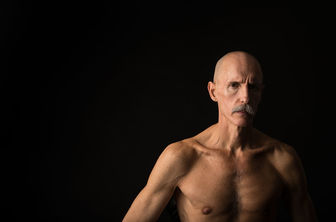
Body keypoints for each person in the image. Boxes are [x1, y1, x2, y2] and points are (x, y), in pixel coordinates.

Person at [122, 51, 317, 222]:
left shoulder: (282, 159)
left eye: (253, 87)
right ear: (213, 91)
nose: (245, 97)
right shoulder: (182, 156)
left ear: (261, 94)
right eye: (234, 85)